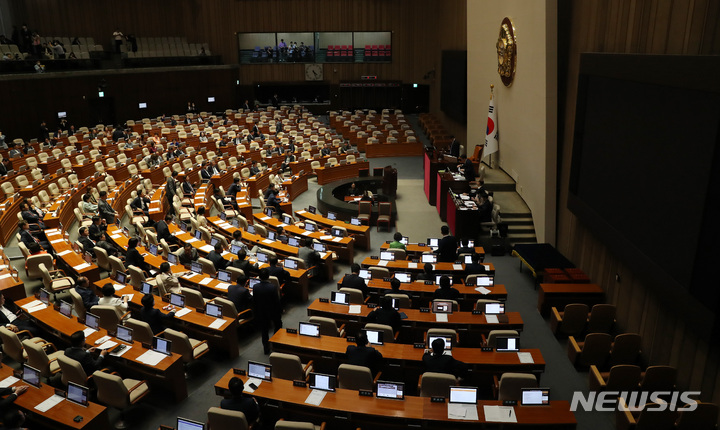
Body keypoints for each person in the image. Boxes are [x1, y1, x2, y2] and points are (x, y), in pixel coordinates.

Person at [253, 268, 282, 354]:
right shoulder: (272, 287)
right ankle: (276, 343)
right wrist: (280, 310)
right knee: (278, 325)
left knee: (264, 331)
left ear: (259, 277)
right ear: (268, 277)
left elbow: (255, 300)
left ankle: (266, 348)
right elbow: (276, 301)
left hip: (261, 311)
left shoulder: (255, 287)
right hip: (272, 311)